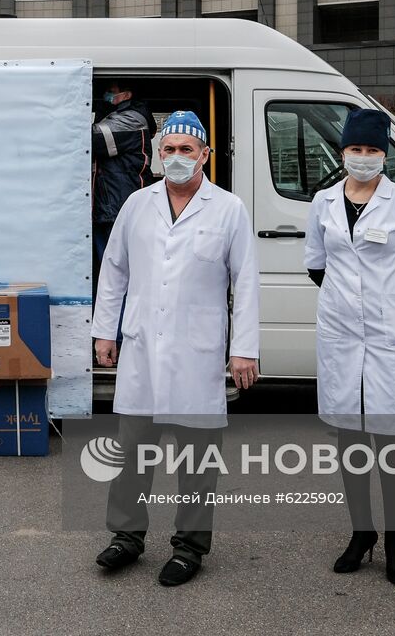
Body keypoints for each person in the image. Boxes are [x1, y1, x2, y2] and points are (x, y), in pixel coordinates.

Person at [91, 110, 260, 588]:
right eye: (170, 150)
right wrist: (105, 332)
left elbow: (245, 282)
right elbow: (115, 271)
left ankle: (189, 547)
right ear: (157, 155)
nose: (178, 158)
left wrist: (244, 349)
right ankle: (126, 538)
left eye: (188, 150)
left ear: (205, 154)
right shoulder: (136, 205)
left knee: (197, 460)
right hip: (143, 348)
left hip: (198, 355)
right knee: (132, 452)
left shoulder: (228, 208)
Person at [303, 108, 395, 586]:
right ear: (342, 152)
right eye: (356, 150)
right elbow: (316, 265)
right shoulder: (322, 201)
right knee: (350, 437)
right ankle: (362, 534)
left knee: (392, 438)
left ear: (385, 154)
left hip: (391, 337)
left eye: (373, 150)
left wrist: (393, 308)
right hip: (342, 334)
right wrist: (350, 306)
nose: (363, 158)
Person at [92, 81, 157, 286]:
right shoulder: (116, 116)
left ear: (127, 95)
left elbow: (91, 139)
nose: (106, 96)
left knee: (117, 278)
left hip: (119, 210)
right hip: (109, 210)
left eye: (111, 92)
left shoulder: (132, 120)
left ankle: (123, 318)